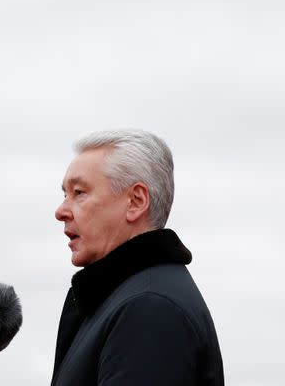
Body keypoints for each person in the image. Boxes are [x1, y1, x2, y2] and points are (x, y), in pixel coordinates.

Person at [51, 129, 223, 385]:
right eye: (65, 194)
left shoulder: (150, 308)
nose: (61, 211)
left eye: (79, 192)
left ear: (135, 201)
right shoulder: (120, 300)